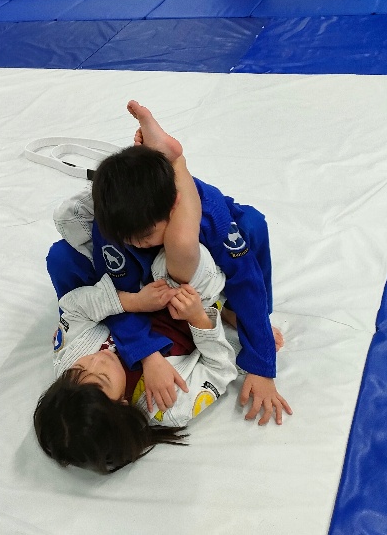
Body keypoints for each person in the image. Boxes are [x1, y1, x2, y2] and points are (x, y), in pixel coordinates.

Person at [50, 101, 291, 426]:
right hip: (167, 300)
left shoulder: (210, 221)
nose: (95, 362)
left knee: (252, 226)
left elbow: (247, 281)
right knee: (63, 258)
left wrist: (261, 363)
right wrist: (146, 345)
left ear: (174, 209)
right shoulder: (117, 231)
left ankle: (175, 160)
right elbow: (112, 296)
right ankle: (170, 160)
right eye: (129, 240)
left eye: (145, 237)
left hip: (192, 270)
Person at [34, 135, 238, 473]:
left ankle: (150, 182)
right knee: (180, 251)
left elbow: (73, 307)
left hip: (138, 290)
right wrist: (200, 320)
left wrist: (130, 301)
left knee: (66, 241)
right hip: (188, 302)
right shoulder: (168, 406)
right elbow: (221, 370)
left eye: (78, 370)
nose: (95, 360)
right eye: (102, 378)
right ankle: (177, 167)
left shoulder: (69, 360)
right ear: (124, 403)